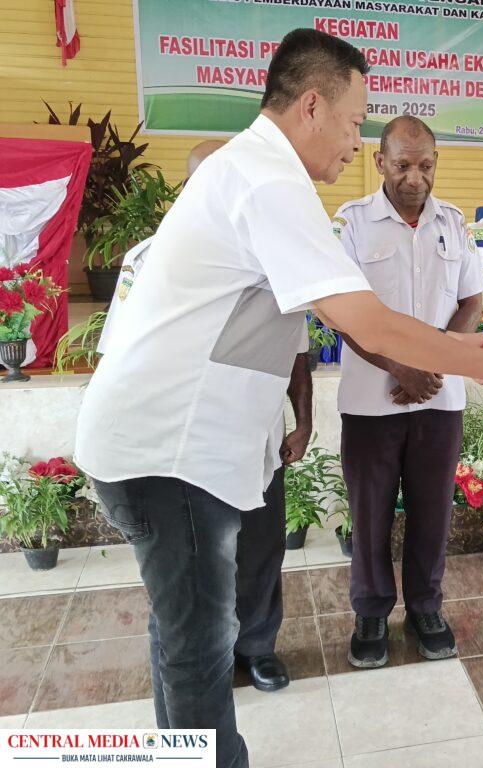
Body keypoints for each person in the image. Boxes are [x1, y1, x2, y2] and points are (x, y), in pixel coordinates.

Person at [75, 29, 483, 768]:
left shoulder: (258, 172)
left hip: (175, 449)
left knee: (185, 638)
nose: (355, 142)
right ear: (311, 106)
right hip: (169, 453)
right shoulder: (267, 180)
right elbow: (364, 320)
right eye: (354, 121)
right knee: (198, 648)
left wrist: (482, 353)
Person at [99, 140, 306, 694]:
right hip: (183, 447)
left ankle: (257, 646)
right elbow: (120, 350)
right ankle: (199, 657)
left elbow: (297, 351)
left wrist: (302, 420)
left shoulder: (274, 258)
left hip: (254, 438)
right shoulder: (148, 257)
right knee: (191, 570)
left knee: (260, 548)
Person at [332, 116, 483, 667]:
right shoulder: (351, 223)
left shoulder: (454, 223)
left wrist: (431, 363)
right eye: (402, 165)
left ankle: (425, 607)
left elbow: (472, 300)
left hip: (439, 398)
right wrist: (399, 365)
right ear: (380, 162)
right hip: (371, 400)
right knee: (370, 512)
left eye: (425, 165)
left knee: (432, 511)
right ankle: (371, 611)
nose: (415, 177)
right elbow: (341, 314)